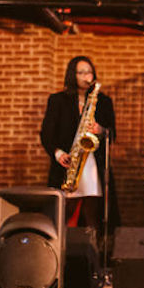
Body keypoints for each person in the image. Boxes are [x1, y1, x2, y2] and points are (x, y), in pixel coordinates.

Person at [40, 56, 118, 229]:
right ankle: (65, 251)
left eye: (89, 72)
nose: (86, 76)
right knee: (65, 213)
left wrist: (100, 130)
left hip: (92, 164)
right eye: (81, 72)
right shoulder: (58, 100)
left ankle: (92, 251)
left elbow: (112, 133)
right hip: (68, 162)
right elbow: (46, 134)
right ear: (72, 75)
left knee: (93, 214)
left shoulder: (104, 102)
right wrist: (58, 153)